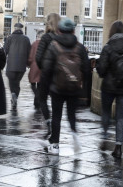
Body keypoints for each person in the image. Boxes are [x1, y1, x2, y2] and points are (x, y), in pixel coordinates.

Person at [41, 18, 89, 155]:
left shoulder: (54, 45)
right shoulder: (79, 47)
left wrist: (44, 90)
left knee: (57, 115)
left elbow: (46, 70)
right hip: (74, 88)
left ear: (59, 31)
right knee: (72, 115)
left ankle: (55, 145)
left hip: (57, 88)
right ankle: (75, 138)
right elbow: (86, 69)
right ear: (74, 31)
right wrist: (84, 90)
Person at [96, 20, 123, 159]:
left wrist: (101, 68)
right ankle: (118, 147)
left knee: (106, 113)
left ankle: (105, 137)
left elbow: (101, 70)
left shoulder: (108, 47)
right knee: (120, 117)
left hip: (109, 87)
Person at [35, 13, 61, 136]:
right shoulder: (62, 37)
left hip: (47, 74)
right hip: (60, 75)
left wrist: (43, 68)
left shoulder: (46, 37)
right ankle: (56, 129)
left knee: (42, 99)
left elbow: (38, 57)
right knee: (57, 103)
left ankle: (49, 123)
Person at [5, 22, 31, 111]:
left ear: (14, 28)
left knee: (12, 82)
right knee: (17, 82)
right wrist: (28, 63)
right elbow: (29, 52)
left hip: (11, 65)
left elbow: (5, 51)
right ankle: (15, 95)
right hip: (21, 66)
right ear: (21, 29)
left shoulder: (9, 38)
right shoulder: (26, 39)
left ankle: (13, 94)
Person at [28, 30, 44, 110]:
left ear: (37, 36)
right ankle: (37, 102)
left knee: (33, 84)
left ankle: (37, 99)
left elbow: (30, 56)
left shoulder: (34, 44)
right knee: (40, 85)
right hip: (42, 67)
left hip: (34, 66)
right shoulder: (45, 44)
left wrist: (29, 63)